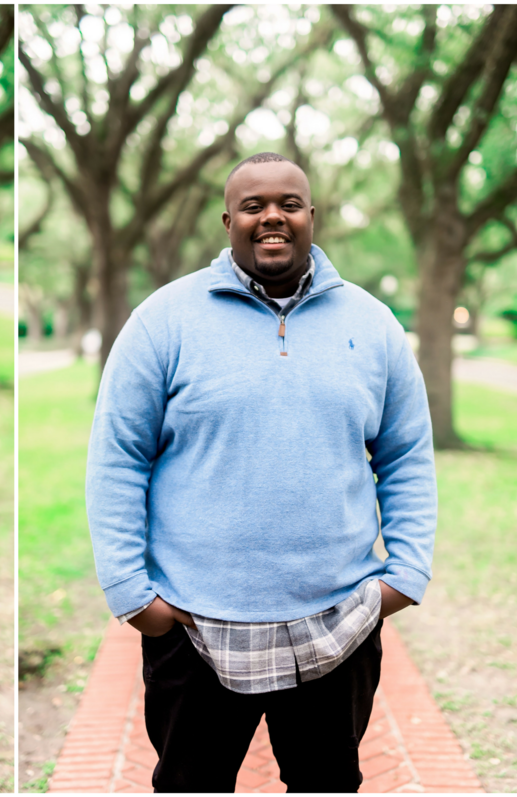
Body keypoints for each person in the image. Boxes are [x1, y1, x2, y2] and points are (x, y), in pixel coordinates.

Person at [85, 152, 436, 792]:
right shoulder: (163, 321)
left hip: (340, 620)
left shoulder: (373, 324)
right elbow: (117, 456)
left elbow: (406, 454)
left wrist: (405, 574)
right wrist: (134, 595)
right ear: (228, 220)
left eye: (288, 204)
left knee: (326, 783)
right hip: (196, 626)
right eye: (254, 205)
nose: (272, 216)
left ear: (311, 216)